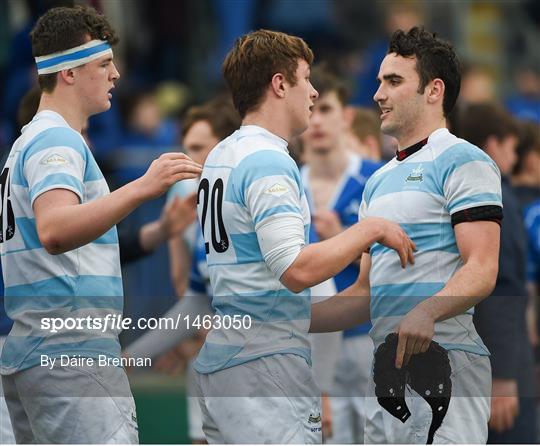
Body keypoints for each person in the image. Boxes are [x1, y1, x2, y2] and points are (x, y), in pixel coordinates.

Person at [193, 29, 414, 444]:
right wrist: (370, 228)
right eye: (306, 78)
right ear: (280, 84)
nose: (313, 92)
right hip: (264, 369)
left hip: (231, 358)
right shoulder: (268, 160)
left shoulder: (223, 153)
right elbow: (295, 270)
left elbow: (277, 296)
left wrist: (368, 294)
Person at [0, 6, 201, 443]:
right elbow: (54, 230)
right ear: (68, 73)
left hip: (40, 350)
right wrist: (142, 188)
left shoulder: (26, 142)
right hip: (70, 352)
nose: (117, 74)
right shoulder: (57, 138)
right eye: (104, 63)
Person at [309, 27, 502, 444]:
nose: (378, 93)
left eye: (393, 81)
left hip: (448, 369)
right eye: (379, 81)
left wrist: (428, 311)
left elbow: (483, 268)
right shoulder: (376, 181)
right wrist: (287, 321)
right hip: (384, 377)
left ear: (434, 90)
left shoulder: (464, 160)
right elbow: (364, 293)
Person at [299, 65, 383, 443]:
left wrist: (345, 243)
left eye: (327, 109)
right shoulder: (284, 180)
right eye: (312, 108)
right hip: (307, 338)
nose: (316, 120)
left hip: (367, 334)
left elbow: (400, 258)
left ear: (346, 116)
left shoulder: (376, 178)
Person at [460, 102, 537, 443]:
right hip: (498, 362)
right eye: (511, 147)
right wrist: (504, 376)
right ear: (493, 144)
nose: (514, 157)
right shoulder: (495, 196)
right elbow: (502, 285)